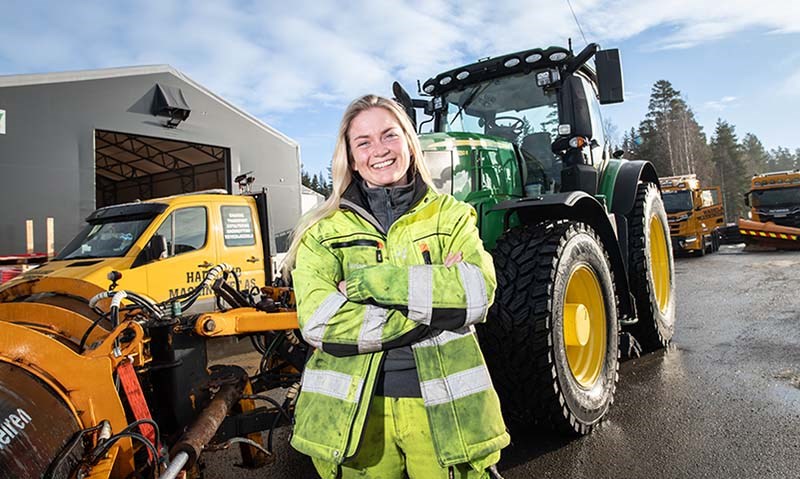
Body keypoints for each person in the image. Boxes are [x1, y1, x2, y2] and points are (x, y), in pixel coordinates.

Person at [285, 94, 509, 479]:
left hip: (448, 412)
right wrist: (435, 306)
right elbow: (320, 323)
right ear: (350, 157)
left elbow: (475, 294)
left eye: (389, 135)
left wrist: (369, 283)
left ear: (408, 141)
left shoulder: (451, 216)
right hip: (353, 421)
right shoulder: (322, 231)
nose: (380, 150)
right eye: (364, 142)